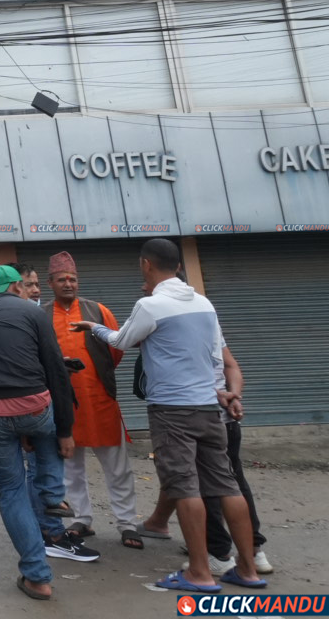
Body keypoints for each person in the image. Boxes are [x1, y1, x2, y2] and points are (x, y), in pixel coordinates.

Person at [71, 238, 266, 594]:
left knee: (185, 486)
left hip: (172, 410)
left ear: (146, 264)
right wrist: (222, 392)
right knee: (226, 484)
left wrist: (92, 327)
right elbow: (215, 356)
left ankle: (200, 573)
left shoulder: (150, 305)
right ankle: (248, 569)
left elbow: (120, 340)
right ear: (178, 265)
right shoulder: (204, 303)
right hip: (209, 407)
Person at [0, 264, 95, 603]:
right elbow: (56, 372)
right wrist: (66, 430)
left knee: (11, 490)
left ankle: (37, 577)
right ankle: (52, 494)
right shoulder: (33, 313)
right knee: (46, 427)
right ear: (16, 287)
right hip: (31, 405)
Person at [139, 346, 273, 577]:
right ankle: (253, 552)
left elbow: (123, 340)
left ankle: (217, 554)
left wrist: (97, 330)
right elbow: (231, 365)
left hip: (191, 414)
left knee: (200, 486)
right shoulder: (212, 330)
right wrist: (234, 395)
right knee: (232, 484)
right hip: (225, 416)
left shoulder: (173, 332)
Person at [45, 252, 140, 548]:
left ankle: (127, 523)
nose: (68, 284)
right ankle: (81, 519)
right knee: (71, 467)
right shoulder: (42, 315)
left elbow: (116, 348)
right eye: (62, 279)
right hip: (63, 404)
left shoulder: (98, 311)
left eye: (72, 279)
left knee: (117, 467)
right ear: (50, 283)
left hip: (100, 400)